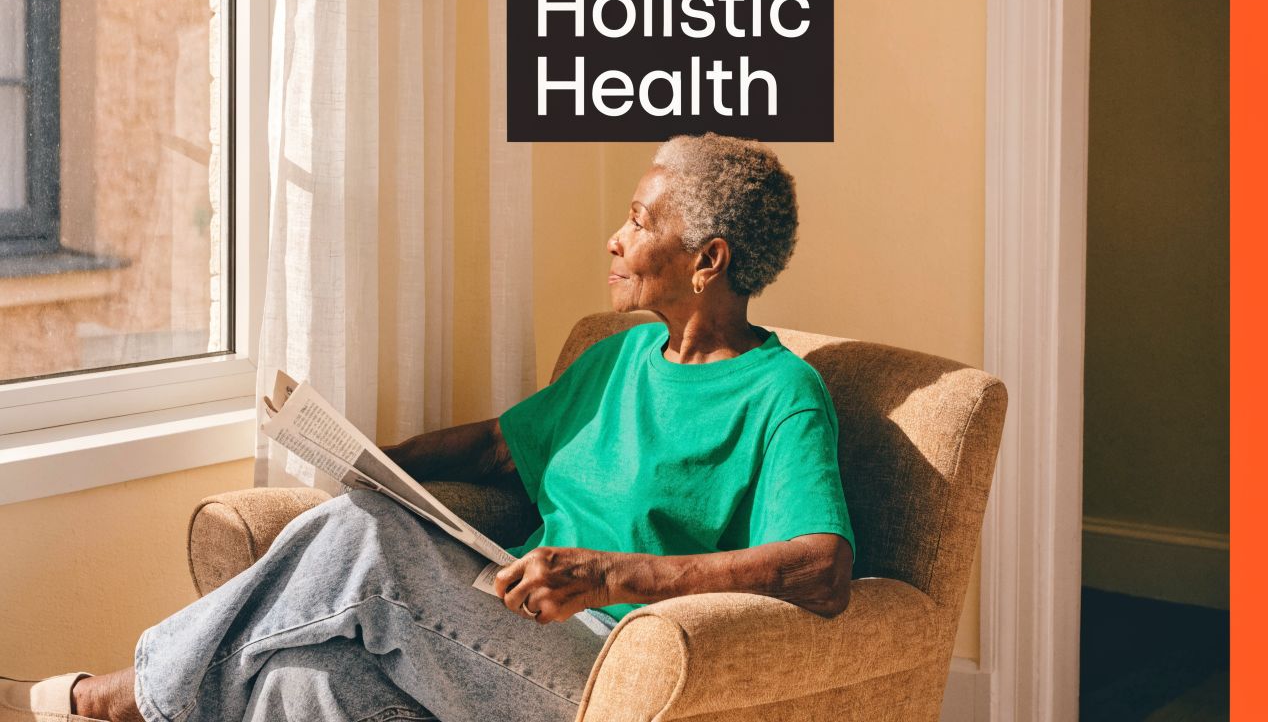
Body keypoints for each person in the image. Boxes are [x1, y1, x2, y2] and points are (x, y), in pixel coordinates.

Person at [1, 133, 855, 722]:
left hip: (610, 671)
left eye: (639, 220)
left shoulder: (783, 392)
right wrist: (370, 459)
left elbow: (821, 567)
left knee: (365, 550)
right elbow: (496, 446)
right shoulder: (621, 358)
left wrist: (616, 574)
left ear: (709, 260)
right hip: (508, 631)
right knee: (306, 680)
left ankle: (119, 700)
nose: (615, 237)